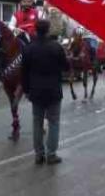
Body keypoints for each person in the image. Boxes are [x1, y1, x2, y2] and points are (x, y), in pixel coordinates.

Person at [21, 20, 69, 165]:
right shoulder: (56, 47)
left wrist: (26, 90)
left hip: (36, 92)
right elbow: (66, 67)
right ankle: (51, 154)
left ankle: (39, 154)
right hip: (54, 91)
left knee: (37, 123)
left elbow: (24, 72)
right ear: (48, 30)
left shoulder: (29, 49)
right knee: (54, 122)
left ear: (35, 30)